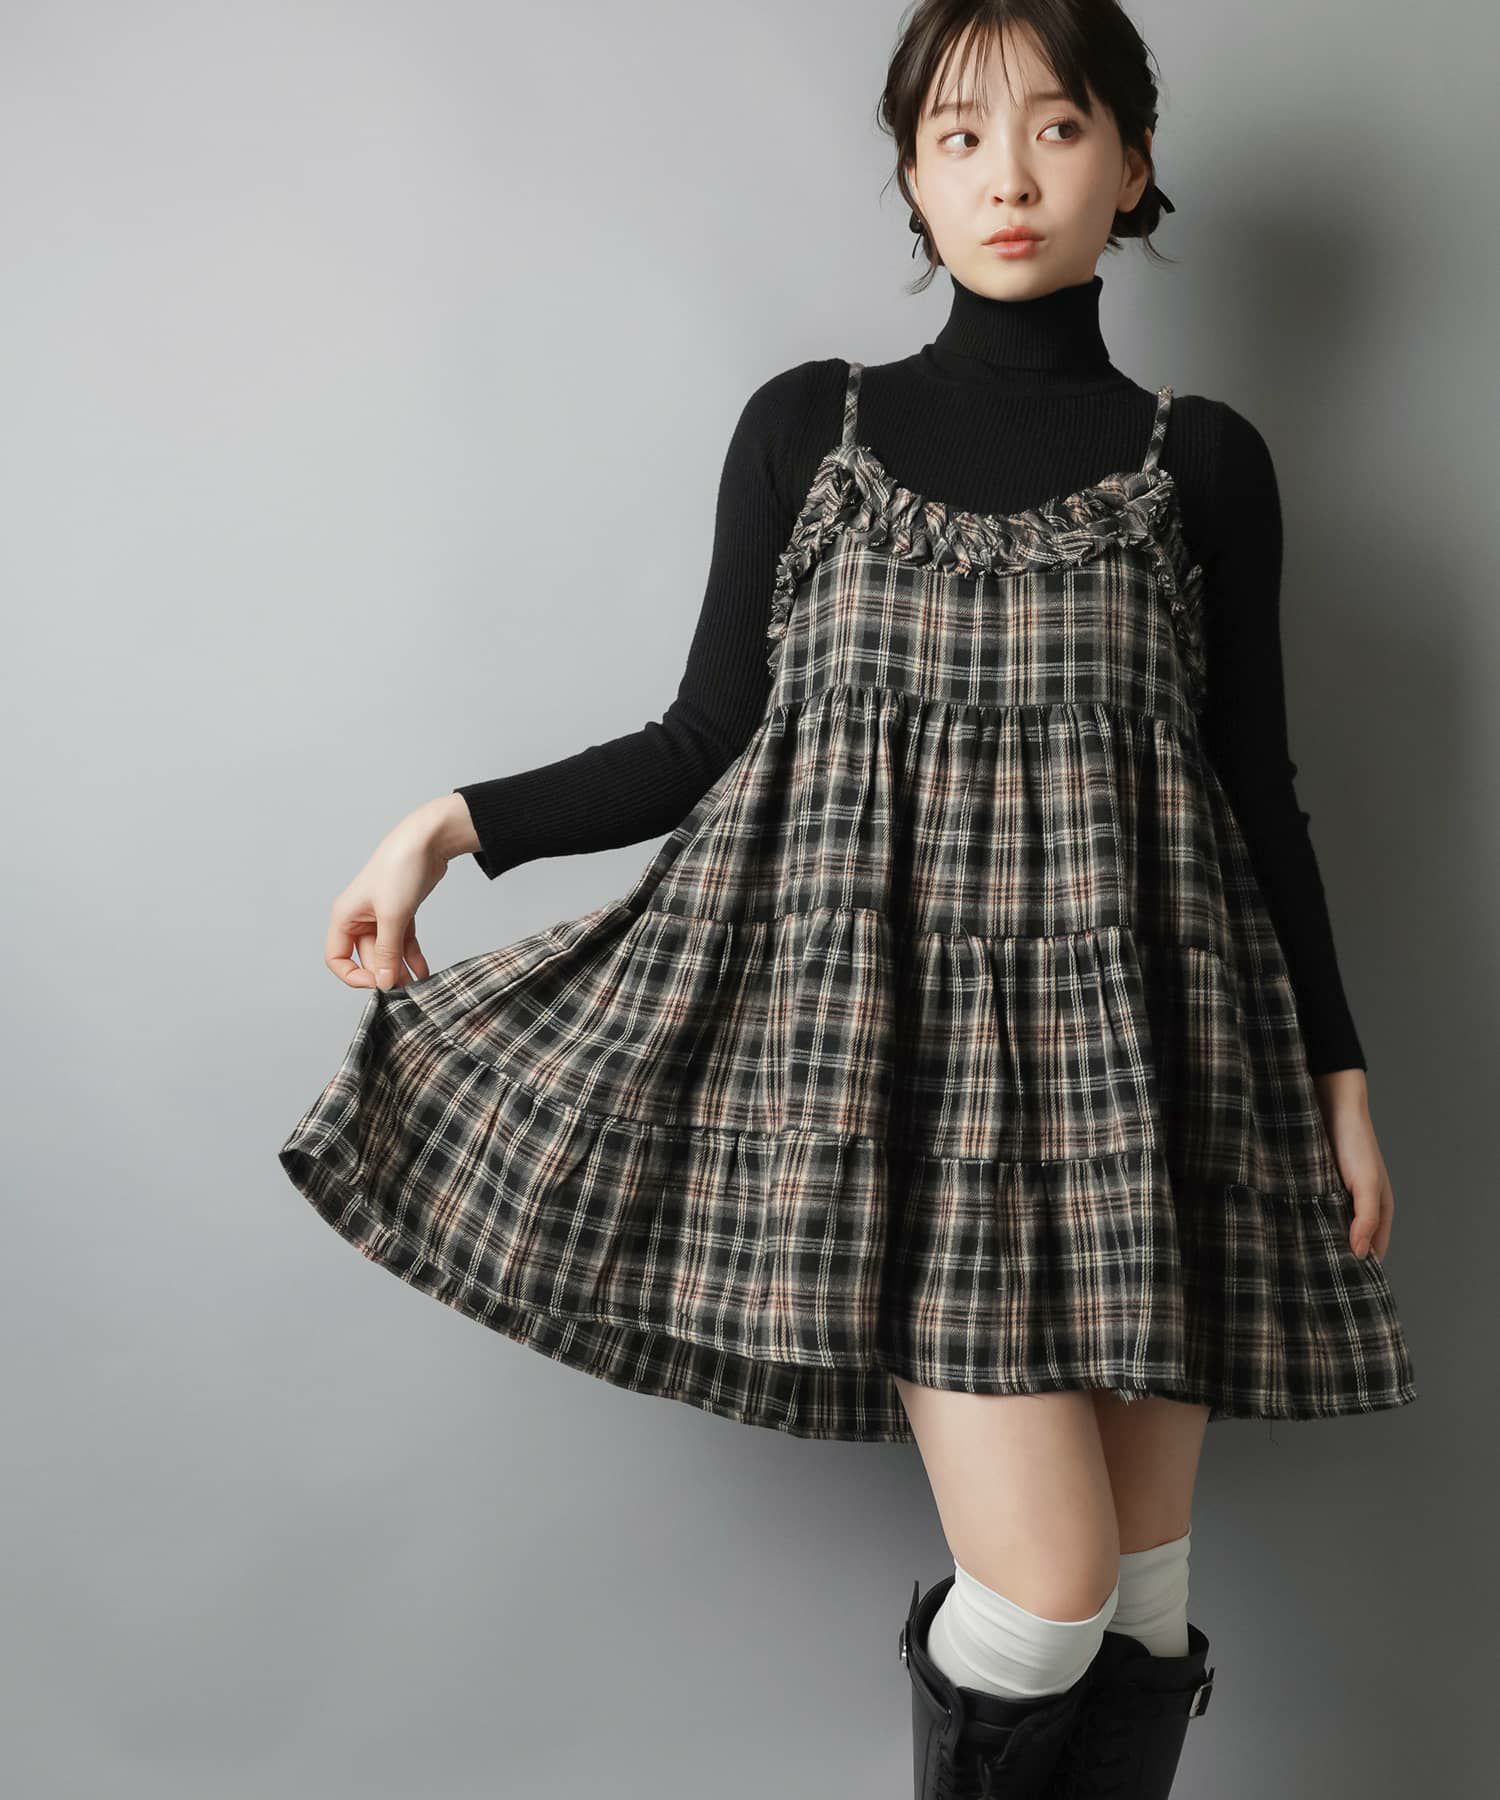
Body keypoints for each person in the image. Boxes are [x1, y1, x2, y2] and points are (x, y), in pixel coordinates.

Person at [279, 3, 1417, 1793]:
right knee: (1042, 1597)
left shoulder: (1205, 463)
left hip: (1160, 1073)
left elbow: (1256, 797)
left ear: (1131, 164)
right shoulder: (813, 429)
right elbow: (701, 739)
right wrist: (450, 826)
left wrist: (1339, 1079)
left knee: (1139, 1607)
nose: (1008, 174)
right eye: (959, 136)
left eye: (1056, 127)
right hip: (915, 1088)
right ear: (912, 176)